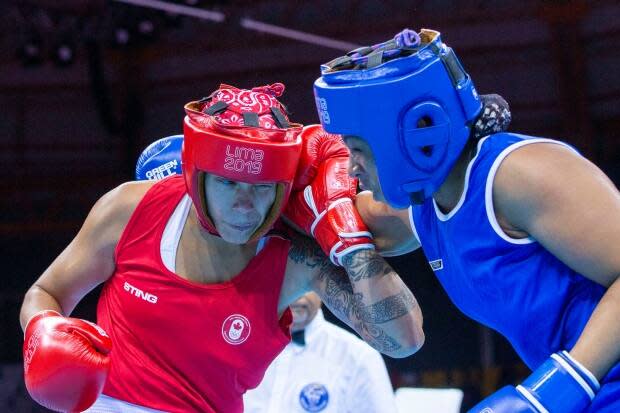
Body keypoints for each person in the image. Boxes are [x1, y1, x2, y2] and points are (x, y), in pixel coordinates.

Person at [19, 83, 423, 413]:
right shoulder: (130, 209)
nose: (245, 205)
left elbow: (403, 341)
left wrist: (352, 243)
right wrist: (45, 331)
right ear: (198, 177)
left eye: (261, 187)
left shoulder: (294, 255)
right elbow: (45, 293)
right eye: (229, 184)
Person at [312, 28, 620, 412]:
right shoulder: (428, 205)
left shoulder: (518, 175)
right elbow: (349, 220)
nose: (352, 167)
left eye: (357, 149)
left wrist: (562, 384)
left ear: (407, 135)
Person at [243, 292, 397, 413]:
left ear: (321, 287)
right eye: (290, 282)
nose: (298, 295)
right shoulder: (242, 342)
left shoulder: (359, 356)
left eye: (304, 285)